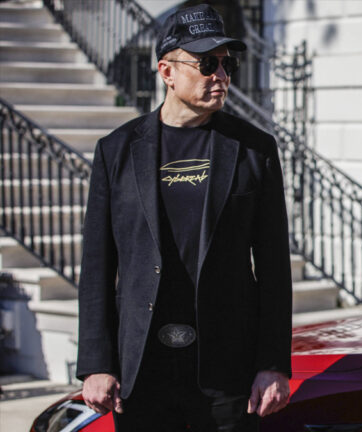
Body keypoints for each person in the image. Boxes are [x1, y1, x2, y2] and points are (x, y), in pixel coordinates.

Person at [76, 4, 292, 431]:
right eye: (207, 64)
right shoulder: (116, 150)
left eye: (227, 64)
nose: (221, 75)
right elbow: (97, 265)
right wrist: (96, 363)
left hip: (226, 368)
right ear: (167, 71)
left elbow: (273, 267)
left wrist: (273, 364)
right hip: (142, 367)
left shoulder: (254, 149)